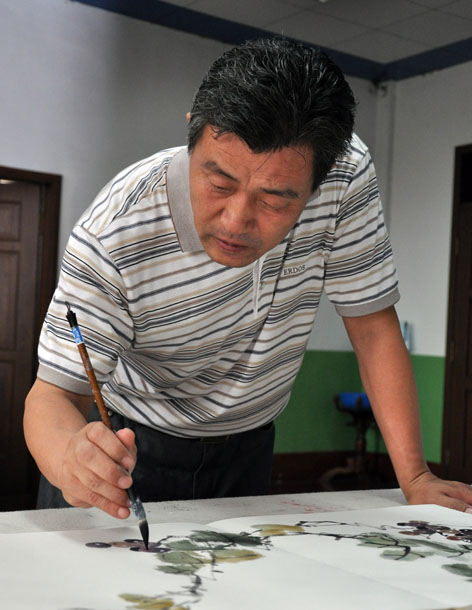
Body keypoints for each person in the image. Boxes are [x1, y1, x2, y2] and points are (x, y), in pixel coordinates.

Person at [24, 37, 472, 519]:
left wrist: (415, 477)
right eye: (219, 183)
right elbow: (52, 396)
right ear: (193, 132)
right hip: (128, 447)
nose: (236, 221)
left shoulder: (343, 174)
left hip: (249, 446)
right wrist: (70, 457)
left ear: (319, 179)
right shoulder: (116, 231)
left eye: (274, 199)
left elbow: (373, 328)